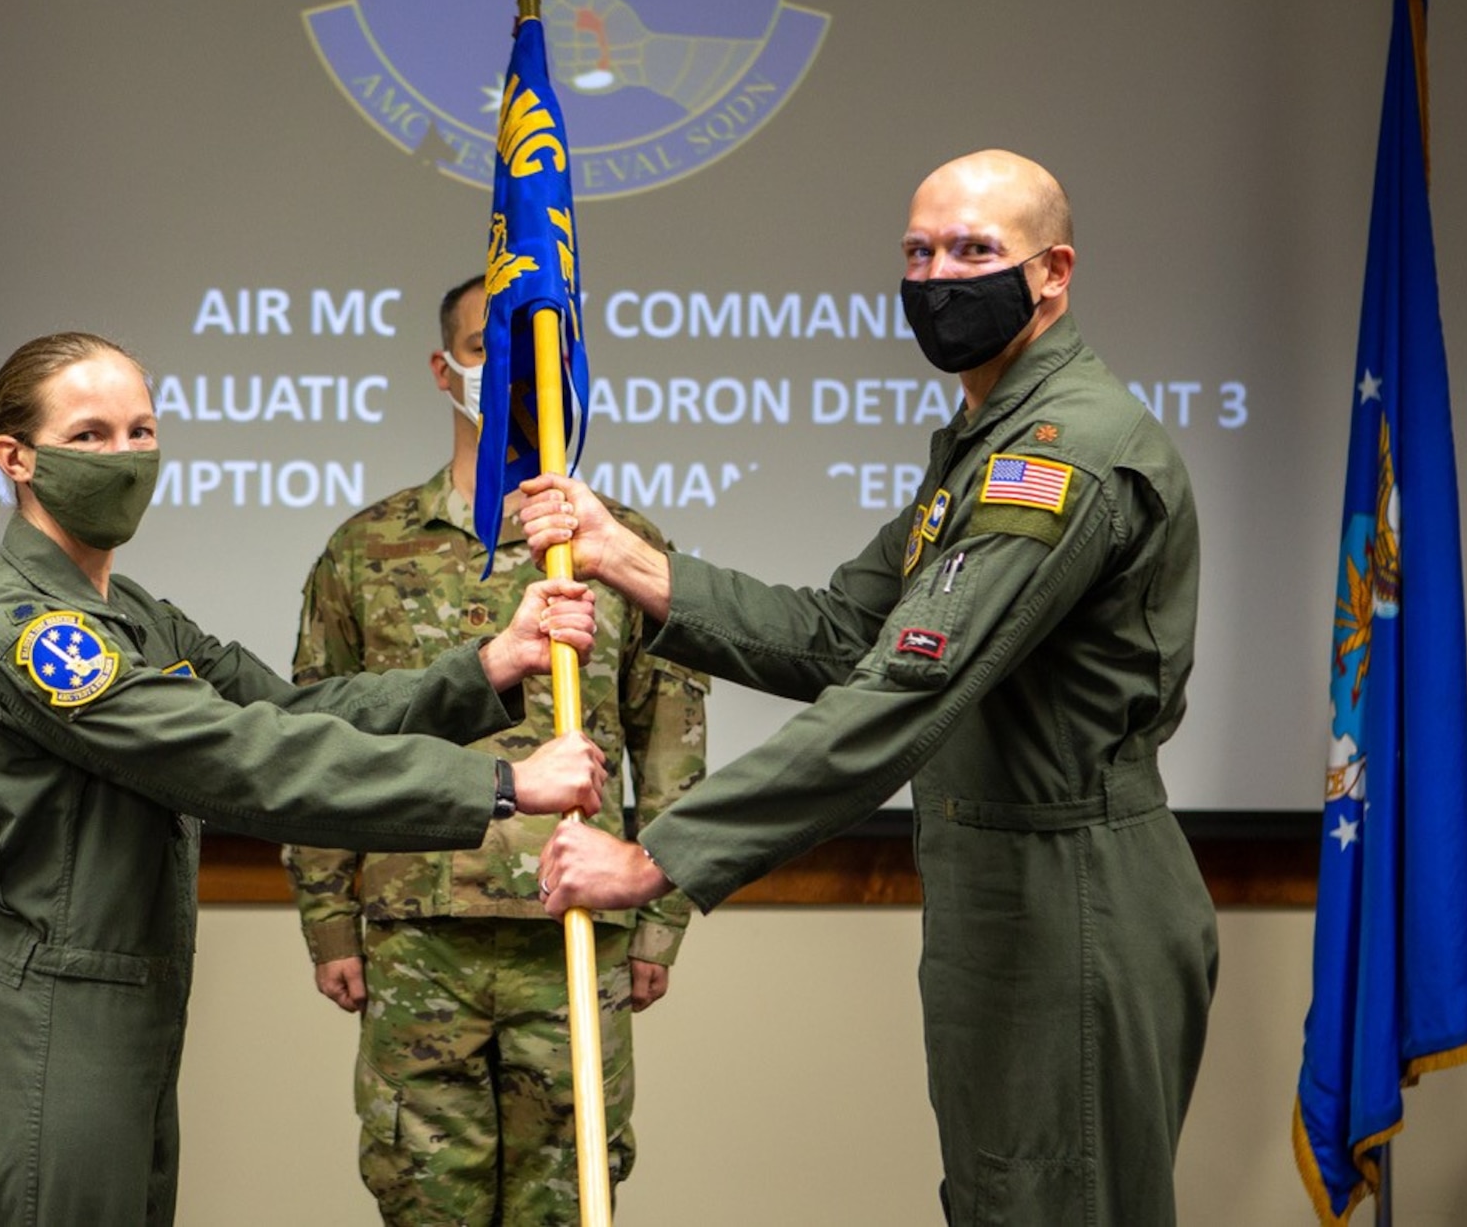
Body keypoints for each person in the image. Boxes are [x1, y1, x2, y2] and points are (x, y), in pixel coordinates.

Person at [522, 150, 1221, 1227]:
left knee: (1056, 1203)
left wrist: (658, 855)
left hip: (1070, 888)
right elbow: (841, 631)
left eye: (974, 251)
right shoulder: (981, 442)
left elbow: (905, 683)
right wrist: (622, 556)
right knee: (999, 1199)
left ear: (1053, 272)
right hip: (996, 884)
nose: (939, 276)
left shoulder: (1060, 451)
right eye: (918, 251)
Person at [0, 331, 610, 1226]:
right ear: (15, 457)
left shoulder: (130, 614)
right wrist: (501, 787)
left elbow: (294, 716)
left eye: (141, 431)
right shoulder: (33, 633)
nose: (126, 458)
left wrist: (485, 668)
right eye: (90, 436)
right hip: (50, 1020)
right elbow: (240, 758)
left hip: (130, 1016)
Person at [281, 276, 709, 1224]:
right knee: (425, 1202)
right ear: (445, 368)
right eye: (489, 346)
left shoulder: (621, 547)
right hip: (414, 934)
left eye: (541, 349)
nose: (516, 369)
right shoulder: (364, 549)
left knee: (573, 1203)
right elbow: (316, 745)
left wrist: (663, 917)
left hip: (573, 937)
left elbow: (671, 749)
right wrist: (327, 916)